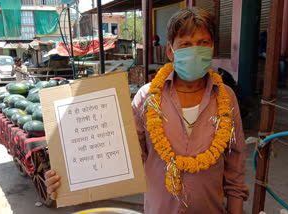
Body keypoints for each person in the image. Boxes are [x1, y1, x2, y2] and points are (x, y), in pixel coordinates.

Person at [44, 7, 249, 214]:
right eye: (186, 44)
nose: (195, 50)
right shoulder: (147, 97)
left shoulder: (227, 98)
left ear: (212, 48)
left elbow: (235, 170)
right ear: (170, 51)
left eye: (203, 43)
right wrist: (66, 181)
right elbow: (123, 157)